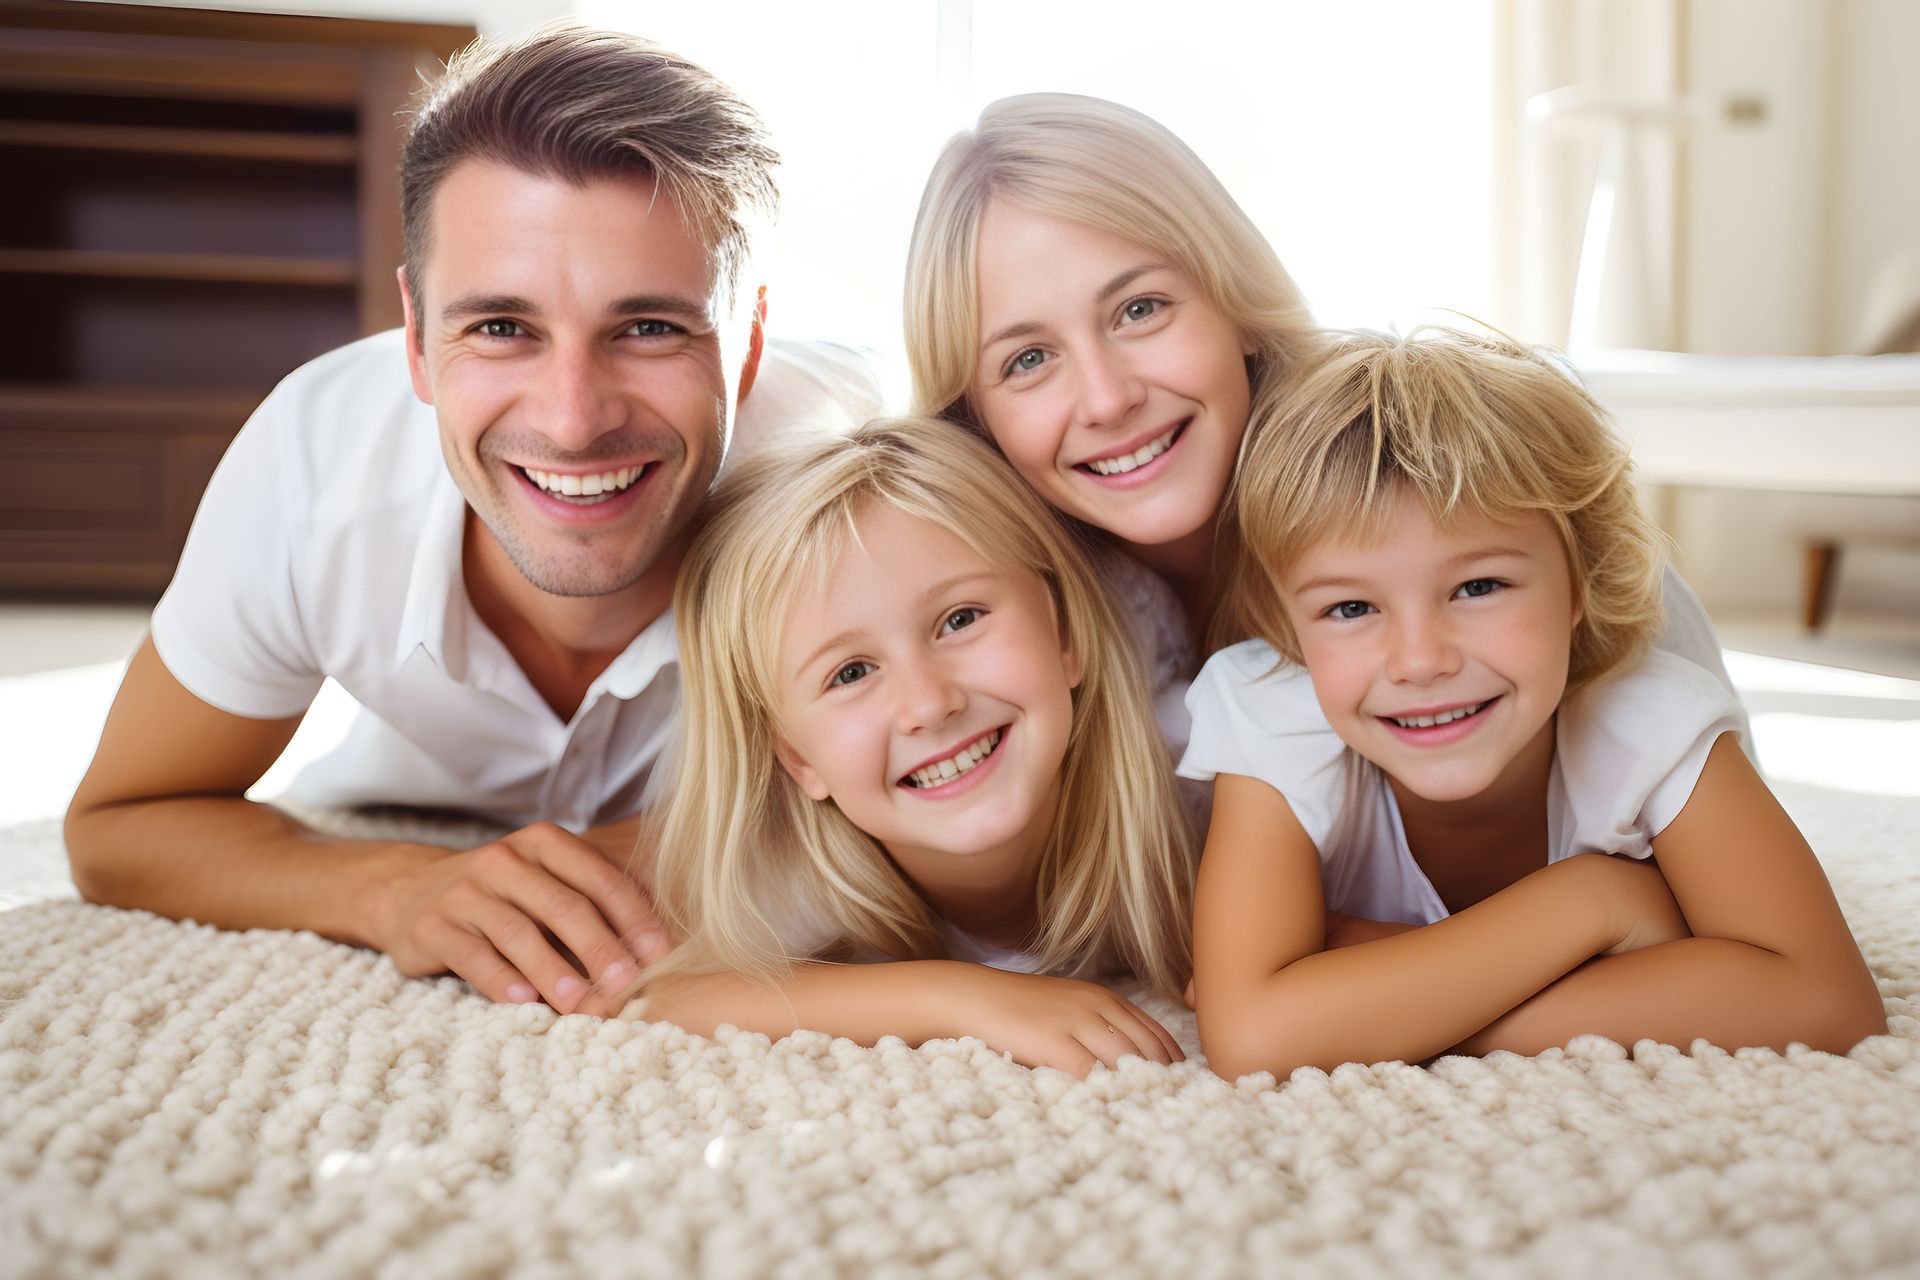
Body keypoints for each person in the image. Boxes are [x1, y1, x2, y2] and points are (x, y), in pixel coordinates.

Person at [64, 27, 878, 1018]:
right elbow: (118, 825)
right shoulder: (315, 463)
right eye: (501, 327)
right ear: (413, 337)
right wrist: (394, 885)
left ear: (747, 346)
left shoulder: (860, 474)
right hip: (399, 794)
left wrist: (684, 848)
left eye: (650, 327)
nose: (573, 419)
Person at [902, 93, 1743, 757]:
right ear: (973, 419)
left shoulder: (1447, 465)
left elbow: (1716, 822)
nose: (1106, 398)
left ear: (1236, 304)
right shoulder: (989, 623)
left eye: (1140, 308)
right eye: (1026, 361)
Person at [1179, 328, 1885, 1080]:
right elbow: (1254, 1034)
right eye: (1350, 608)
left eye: (1478, 588)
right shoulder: (1271, 708)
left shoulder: (1652, 720)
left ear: (1581, 583)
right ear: (1287, 624)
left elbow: (1825, 1002)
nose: (1420, 661)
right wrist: (1591, 903)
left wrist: (1384, 1004)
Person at [611, 418, 1194, 1077]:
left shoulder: (1193, 779)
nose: (928, 704)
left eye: (960, 619)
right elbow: (661, 997)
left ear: (1065, 637)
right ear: (798, 760)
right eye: (851, 673)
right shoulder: (798, 865)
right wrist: (959, 997)